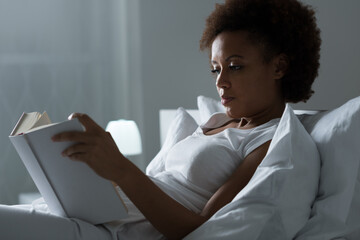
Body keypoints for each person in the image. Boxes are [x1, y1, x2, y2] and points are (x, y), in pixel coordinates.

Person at [0, 0, 321, 239]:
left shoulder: (270, 143)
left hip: (115, 231)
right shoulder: (214, 121)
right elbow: (160, 181)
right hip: (98, 212)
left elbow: (198, 229)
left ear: (279, 67)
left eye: (235, 66)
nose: (220, 81)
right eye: (215, 68)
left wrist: (121, 168)